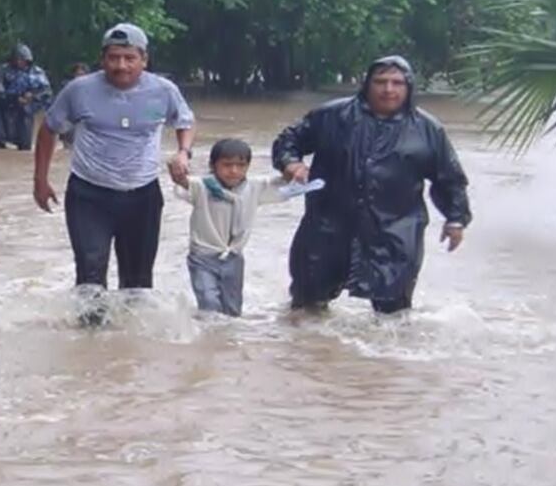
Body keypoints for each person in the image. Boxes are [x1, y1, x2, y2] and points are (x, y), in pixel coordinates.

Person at [272, 55, 471, 314]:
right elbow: (289, 140)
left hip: (395, 233)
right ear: (367, 84)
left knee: (393, 316)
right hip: (327, 227)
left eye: (397, 83)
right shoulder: (333, 116)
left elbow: (450, 178)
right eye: (380, 81)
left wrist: (455, 219)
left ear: (409, 87)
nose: (388, 89)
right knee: (307, 307)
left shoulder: (428, 129)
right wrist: (291, 163)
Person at [34, 22, 196, 293]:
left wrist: (183, 152)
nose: (121, 66)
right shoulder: (79, 90)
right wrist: (40, 180)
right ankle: (91, 321)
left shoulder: (163, 91)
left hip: (142, 195)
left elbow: (185, 121)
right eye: (113, 58)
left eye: (130, 58)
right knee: (90, 276)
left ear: (144, 60)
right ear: (102, 59)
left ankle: (130, 323)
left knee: (138, 284)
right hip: (89, 196)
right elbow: (49, 128)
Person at [171, 138, 288, 316]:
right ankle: (207, 333)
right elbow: (183, 182)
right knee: (209, 303)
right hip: (202, 257)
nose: (234, 171)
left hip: (234, 258)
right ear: (213, 165)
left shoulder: (255, 188)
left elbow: (285, 185)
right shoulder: (203, 186)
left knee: (232, 310)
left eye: (241, 165)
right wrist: (177, 168)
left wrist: (294, 170)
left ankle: (225, 335)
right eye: (227, 165)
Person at [0, 44, 52, 150]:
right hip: (5, 106)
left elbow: (46, 92)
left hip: (26, 108)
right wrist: (15, 98)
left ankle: (23, 142)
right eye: (16, 59)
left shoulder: (37, 72)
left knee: (25, 145)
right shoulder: (3, 70)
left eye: (22, 60)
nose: (19, 62)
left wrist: (32, 96)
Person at [58, 62, 90, 149]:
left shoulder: (93, 88)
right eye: (77, 74)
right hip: (70, 120)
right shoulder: (67, 87)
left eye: (82, 74)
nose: (79, 77)